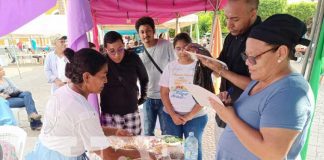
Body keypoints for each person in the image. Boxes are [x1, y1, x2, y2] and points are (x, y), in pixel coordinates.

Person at [209, 14, 314, 160]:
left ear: (281, 53)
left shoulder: (291, 93)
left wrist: (230, 117)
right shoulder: (261, 80)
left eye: (253, 58)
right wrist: (229, 107)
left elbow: (272, 154)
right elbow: (250, 120)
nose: (247, 63)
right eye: (246, 56)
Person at [26, 48, 145, 160]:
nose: (106, 81)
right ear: (86, 77)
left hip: (44, 152)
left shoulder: (62, 92)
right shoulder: (83, 111)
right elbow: (108, 154)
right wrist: (142, 153)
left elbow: (85, 128)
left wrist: (114, 131)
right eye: (103, 76)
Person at [194, 0, 261, 128]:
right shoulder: (231, 37)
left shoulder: (261, 39)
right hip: (225, 109)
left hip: (248, 118)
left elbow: (260, 86)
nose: (229, 25)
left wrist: (222, 71)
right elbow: (218, 70)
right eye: (226, 18)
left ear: (253, 14)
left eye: (235, 19)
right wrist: (205, 58)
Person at [160, 33, 214, 160]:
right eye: (178, 48)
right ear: (174, 50)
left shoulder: (200, 66)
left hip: (196, 117)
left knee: (193, 151)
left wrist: (189, 116)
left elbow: (205, 96)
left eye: (185, 47)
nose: (182, 51)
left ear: (191, 48)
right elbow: (164, 92)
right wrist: (173, 114)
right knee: (174, 151)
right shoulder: (170, 67)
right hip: (171, 116)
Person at [100, 31, 148, 136]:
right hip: (109, 114)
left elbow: (144, 78)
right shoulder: (101, 61)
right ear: (105, 49)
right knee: (112, 146)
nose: (117, 55)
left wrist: (143, 96)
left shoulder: (133, 57)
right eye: (112, 51)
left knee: (134, 146)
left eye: (120, 49)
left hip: (131, 112)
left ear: (124, 45)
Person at [135, 16, 175, 136]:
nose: (145, 34)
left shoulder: (166, 45)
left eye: (148, 31)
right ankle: (150, 155)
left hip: (165, 96)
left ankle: (165, 154)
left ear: (153, 31)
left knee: (166, 132)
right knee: (148, 132)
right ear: (138, 34)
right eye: (142, 32)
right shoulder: (138, 51)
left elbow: (174, 67)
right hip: (148, 97)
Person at [0, 65, 42, 130]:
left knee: (27, 93)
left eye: (2, 69)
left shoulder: (6, 79)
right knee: (29, 101)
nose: (3, 71)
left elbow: (15, 88)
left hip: (14, 94)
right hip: (7, 100)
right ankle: (35, 123)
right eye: (1, 70)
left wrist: (13, 92)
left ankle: (32, 116)